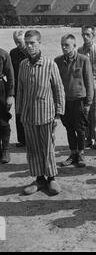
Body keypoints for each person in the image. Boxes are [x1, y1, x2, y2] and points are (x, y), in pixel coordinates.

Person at [16, 30, 65, 196]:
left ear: (39, 43)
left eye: (33, 43)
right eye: (27, 43)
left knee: (47, 147)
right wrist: (20, 112)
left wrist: (58, 114)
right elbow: (20, 90)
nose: (30, 46)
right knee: (33, 148)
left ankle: (51, 178)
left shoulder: (50, 64)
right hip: (28, 115)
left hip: (46, 114)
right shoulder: (23, 65)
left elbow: (59, 90)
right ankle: (39, 179)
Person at [55, 34, 94, 168]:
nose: (64, 48)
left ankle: (81, 153)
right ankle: (73, 153)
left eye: (67, 45)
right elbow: (55, 83)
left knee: (81, 128)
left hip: (80, 101)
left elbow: (89, 82)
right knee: (69, 128)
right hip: (65, 101)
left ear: (74, 46)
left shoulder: (83, 60)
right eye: (62, 45)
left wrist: (88, 103)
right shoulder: (58, 61)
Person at [78, 25, 96, 150]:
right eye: (83, 34)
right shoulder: (79, 50)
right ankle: (88, 138)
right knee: (85, 112)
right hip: (83, 86)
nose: (85, 37)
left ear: (93, 36)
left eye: (88, 34)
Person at [10, 30, 29, 147]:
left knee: (30, 113)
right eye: (16, 42)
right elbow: (11, 72)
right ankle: (22, 140)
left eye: (20, 42)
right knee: (18, 113)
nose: (18, 45)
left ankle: (30, 139)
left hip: (29, 87)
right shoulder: (13, 53)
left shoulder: (30, 53)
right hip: (17, 88)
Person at [0, 48, 14, 164]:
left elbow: (10, 75)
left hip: (1, 89)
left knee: (3, 120)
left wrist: (10, 95)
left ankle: (5, 149)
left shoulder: (3, 54)